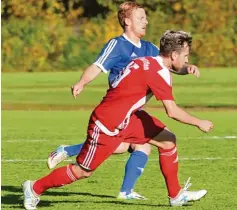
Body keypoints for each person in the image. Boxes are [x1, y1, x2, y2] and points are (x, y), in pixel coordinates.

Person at [23, 30, 213, 210]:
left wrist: (184, 69)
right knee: (83, 171)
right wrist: (199, 122)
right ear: (173, 55)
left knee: (167, 140)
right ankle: (34, 188)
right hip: (107, 124)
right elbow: (172, 111)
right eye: (186, 56)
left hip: (127, 118)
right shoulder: (158, 74)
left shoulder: (145, 61)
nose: (187, 60)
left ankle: (176, 195)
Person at [46, 1, 200, 200]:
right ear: (127, 21)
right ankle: (67, 153)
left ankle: (128, 191)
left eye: (145, 17)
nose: (146, 21)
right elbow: (98, 66)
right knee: (122, 147)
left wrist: (187, 68)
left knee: (148, 144)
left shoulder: (149, 47)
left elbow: (169, 64)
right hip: (116, 110)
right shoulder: (117, 45)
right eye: (141, 18)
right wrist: (82, 82)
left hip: (132, 112)